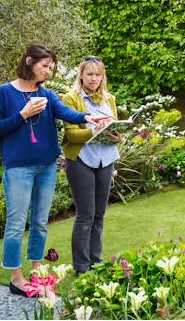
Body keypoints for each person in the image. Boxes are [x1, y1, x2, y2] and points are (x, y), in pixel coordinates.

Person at [0, 44, 107, 297]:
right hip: (18, 168)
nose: (48, 72)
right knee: (16, 224)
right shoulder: (4, 93)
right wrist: (22, 114)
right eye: (44, 66)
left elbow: (65, 113)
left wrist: (88, 118)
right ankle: (15, 277)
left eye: (50, 68)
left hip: (47, 166)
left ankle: (37, 272)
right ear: (29, 61)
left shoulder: (47, 94)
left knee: (40, 223)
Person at [61, 55, 122, 276]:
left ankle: (96, 262)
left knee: (99, 214)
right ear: (81, 75)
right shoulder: (71, 98)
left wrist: (117, 136)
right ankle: (81, 268)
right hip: (81, 160)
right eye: (90, 74)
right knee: (85, 214)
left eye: (98, 74)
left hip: (105, 159)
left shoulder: (109, 98)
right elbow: (71, 134)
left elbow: (115, 129)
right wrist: (94, 130)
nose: (94, 78)